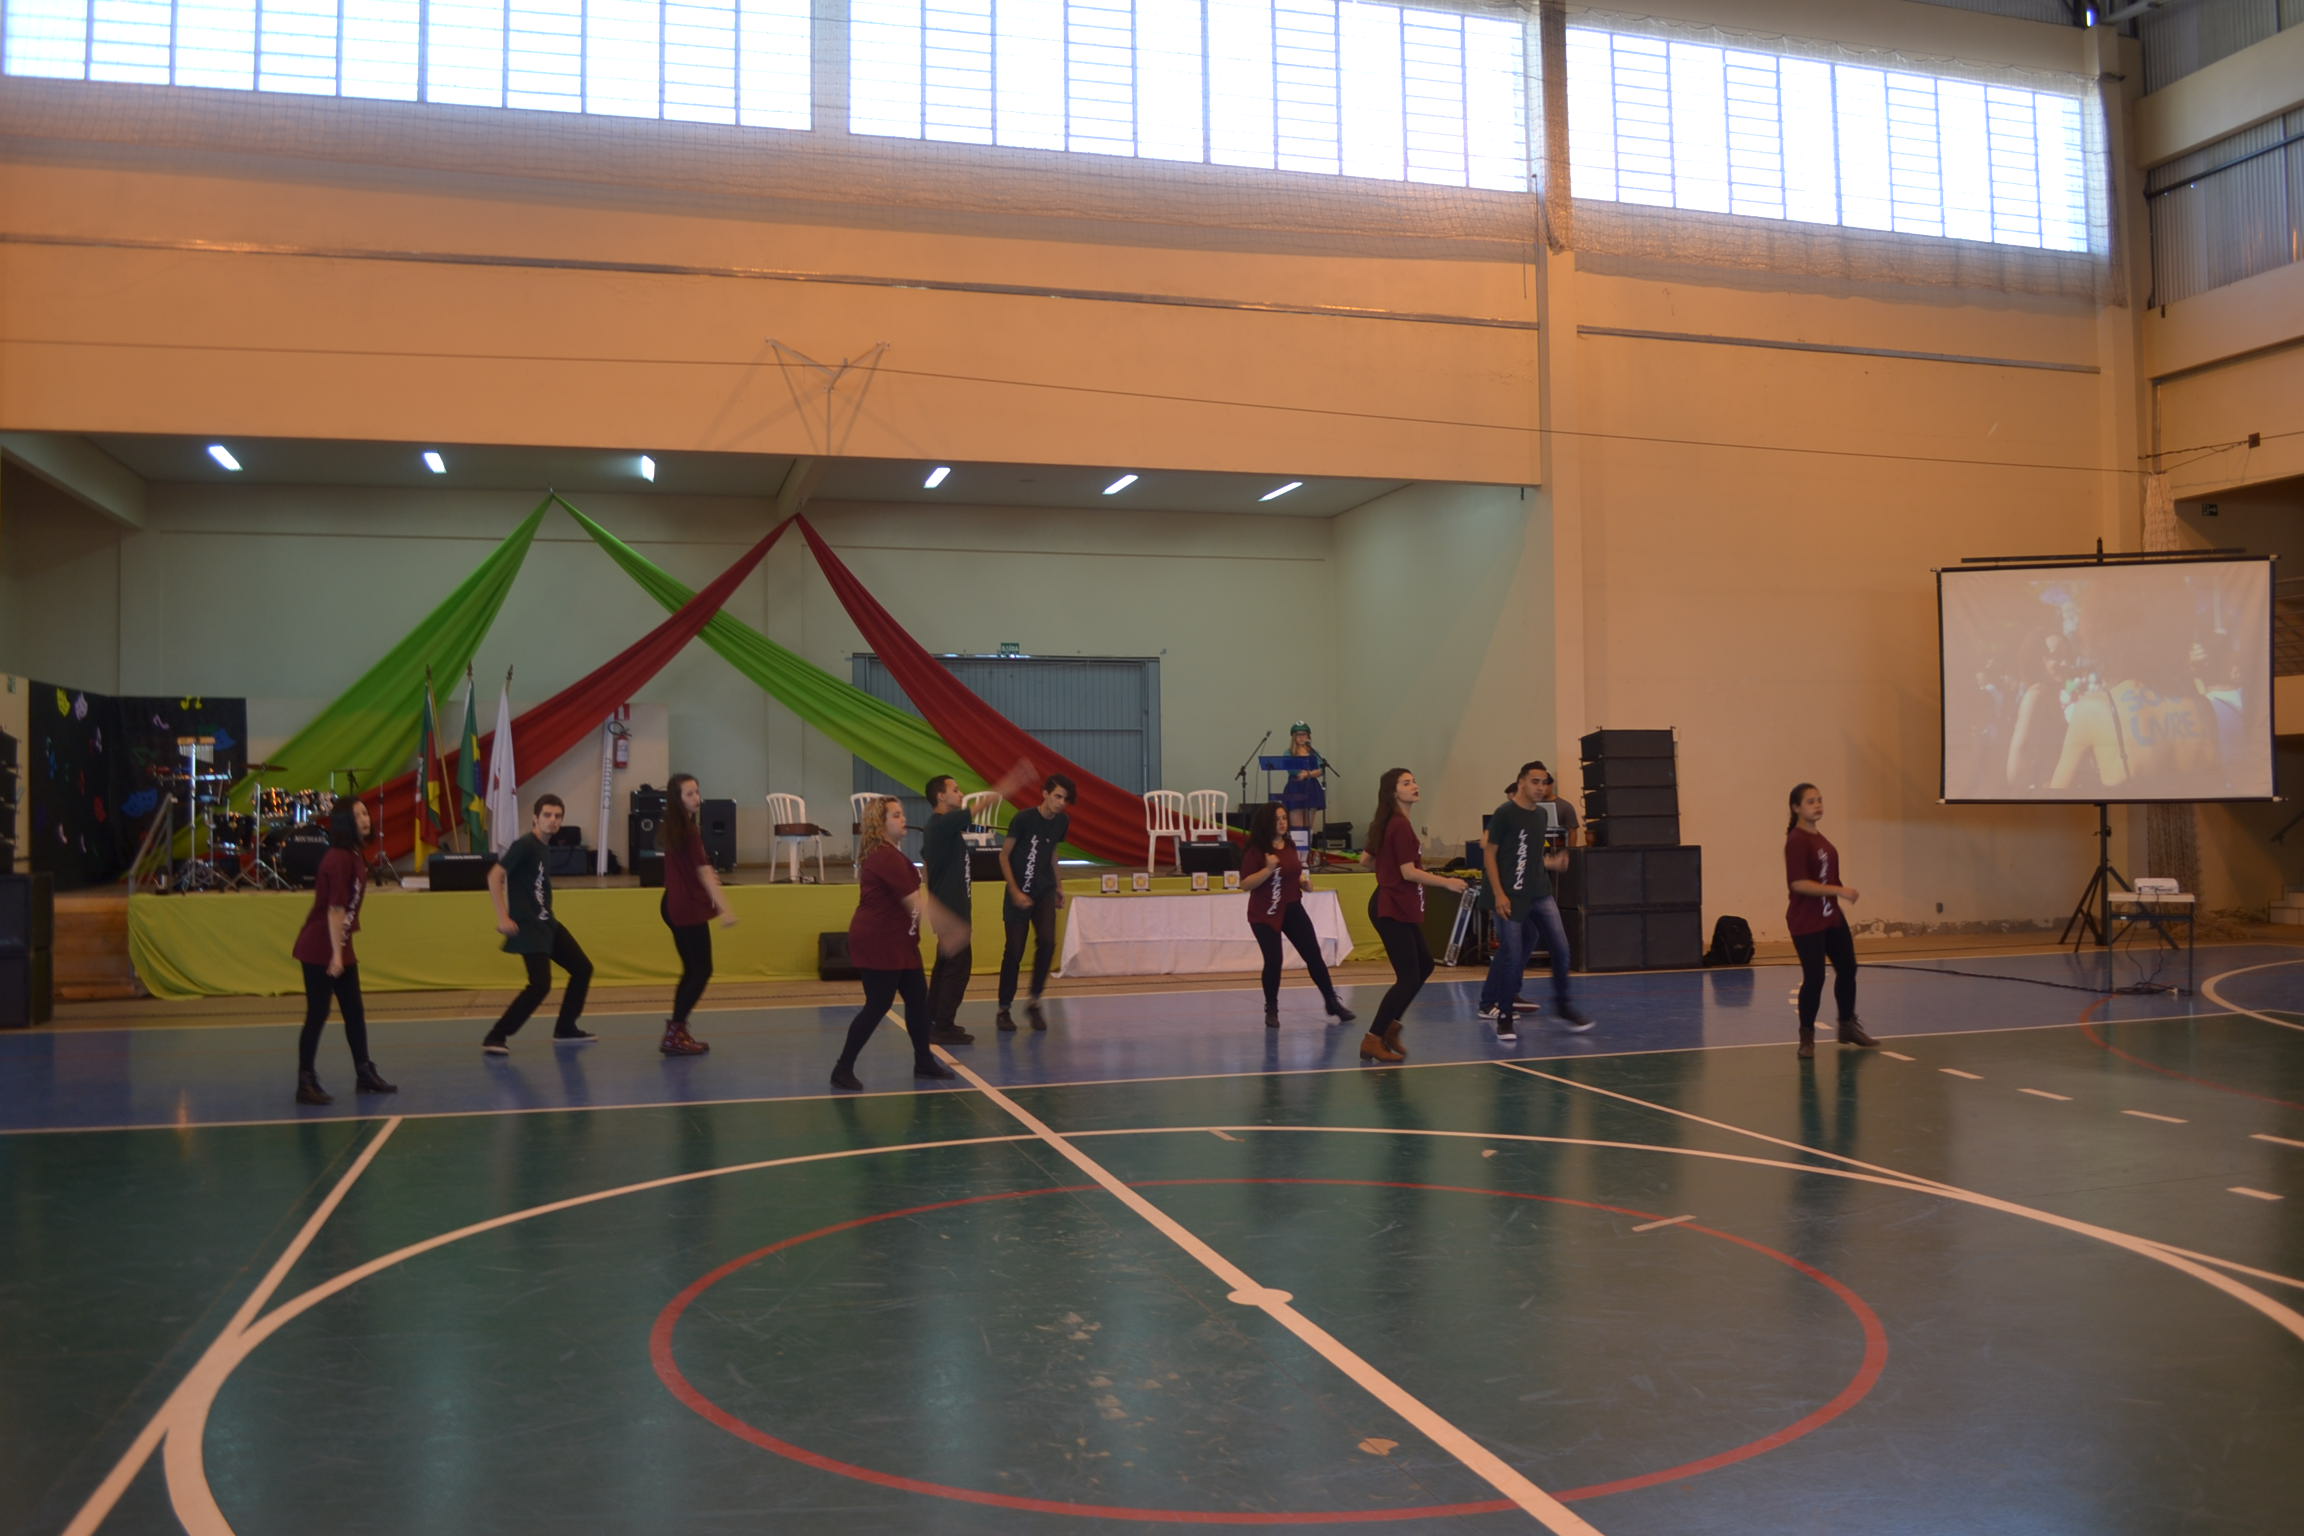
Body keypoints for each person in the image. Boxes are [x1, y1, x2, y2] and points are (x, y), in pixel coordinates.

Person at [831, 797, 959, 1091]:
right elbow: (915, 901)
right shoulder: (885, 857)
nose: (904, 819)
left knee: (917, 1000)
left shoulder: (893, 854)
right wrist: (953, 928)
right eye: (896, 815)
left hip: (901, 940)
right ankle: (842, 1068)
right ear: (881, 824)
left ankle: (923, 1061)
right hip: (879, 941)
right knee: (878, 1005)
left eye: (902, 814)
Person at [1479, 761, 1594, 1040]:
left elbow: (1527, 856)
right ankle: (1504, 1015)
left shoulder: (1541, 816)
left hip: (1540, 893)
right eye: (1535, 782)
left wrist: (1550, 862)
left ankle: (1563, 1007)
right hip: (1511, 896)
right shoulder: (1505, 813)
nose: (1540, 788)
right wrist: (1499, 894)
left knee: (1561, 949)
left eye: (1544, 783)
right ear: (1521, 782)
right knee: (1512, 953)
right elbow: (1490, 854)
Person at [919, 763, 1032, 1047]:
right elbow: (977, 808)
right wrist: (1008, 784)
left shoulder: (938, 829)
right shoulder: (943, 823)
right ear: (941, 796)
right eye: (955, 790)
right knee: (958, 969)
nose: (961, 794)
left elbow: (927, 866)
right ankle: (942, 1025)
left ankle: (933, 1018)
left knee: (945, 967)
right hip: (952, 912)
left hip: (947, 909)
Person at [291, 798, 394, 1104]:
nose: (366, 818)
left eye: (365, 813)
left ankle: (364, 1072)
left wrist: (342, 951)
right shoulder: (338, 859)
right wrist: (336, 955)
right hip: (320, 947)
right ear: (345, 822)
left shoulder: (354, 854)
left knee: (354, 1011)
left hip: (340, 944)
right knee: (318, 1013)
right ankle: (305, 1081)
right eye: (358, 814)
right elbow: (335, 909)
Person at [1360, 768, 1466, 1064]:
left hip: (1396, 903)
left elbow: (1366, 860)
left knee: (1424, 965)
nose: (1414, 786)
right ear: (1393, 792)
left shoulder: (1390, 823)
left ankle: (1390, 1026)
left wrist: (1387, 869)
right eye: (1406, 783)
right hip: (1390, 906)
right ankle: (1373, 1038)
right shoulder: (1399, 826)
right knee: (1408, 977)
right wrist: (1446, 882)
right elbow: (1408, 872)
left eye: (1414, 781)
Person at [481, 794, 596, 1054]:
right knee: (540, 985)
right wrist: (503, 917)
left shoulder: (544, 847)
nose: (553, 820)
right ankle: (496, 1036)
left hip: (547, 923)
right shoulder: (525, 845)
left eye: (558, 816)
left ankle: (565, 1028)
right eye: (547, 815)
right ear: (535, 818)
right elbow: (495, 876)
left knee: (582, 968)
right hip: (529, 927)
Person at [1240, 799, 1354, 1028]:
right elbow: (1245, 884)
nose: (1282, 823)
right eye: (1277, 819)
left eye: (1284, 818)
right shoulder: (1257, 850)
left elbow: (1293, 872)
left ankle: (1332, 1002)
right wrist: (1268, 869)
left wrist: (1303, 883)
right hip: (1266, 912)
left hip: (1292, 907)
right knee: (1274, 961)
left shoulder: (1290, 845)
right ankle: (1271, 1008)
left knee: (1313, 955)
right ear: (1267, 822)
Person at [1785, 783, 1878, 1060]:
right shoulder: (1797, 840)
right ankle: (1806, 1037)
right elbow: (1798, 883)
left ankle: (1847, 1025)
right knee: (1814, 978)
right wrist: (1839, 891)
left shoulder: (1820, 838)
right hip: (1806, 921)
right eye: (1810, 801)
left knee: (1848, 968)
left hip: (1831, 917)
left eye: (1820, 800)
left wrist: (1836, 895)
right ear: (1796, 808)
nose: (1817, 805)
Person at [658, 773, 736, 1058]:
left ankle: (676, 1030)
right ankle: (675, 1032)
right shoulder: (688, 831)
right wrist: (726, 909)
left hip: (672, 902)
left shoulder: (676, 826)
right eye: (689, 794)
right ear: (677, 799)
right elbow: (703, 872)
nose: (697, 799)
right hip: (685, 906)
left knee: (692, 969)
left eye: (697, 792)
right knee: (701, 970)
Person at [996, 773, 1075, 1032]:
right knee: (1014, 950)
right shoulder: (1024, 819)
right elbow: (1004, 856)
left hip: (1044, 891)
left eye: (1065, 799)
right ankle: (1004, 1008)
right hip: (1019, 893)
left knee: (1048, 942)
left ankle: (1034, 1001)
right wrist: (1014, 891)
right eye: (1057, 796)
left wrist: (1059, 886)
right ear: (1045, 794)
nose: (1061, 803)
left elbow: (1052, 853)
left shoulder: (1062, 821)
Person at [1278, 722, 1327, 836]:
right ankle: (1296, 846)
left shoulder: (1313, 753)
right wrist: (1309, 773)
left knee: (1308, 827)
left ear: (1308, 736)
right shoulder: (1289, 753)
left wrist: (1308, 774)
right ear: (1293, 737)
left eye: (1304, 734)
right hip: (1295, 788)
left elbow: (1321, 769)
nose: (1301, 737)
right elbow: (1292, 770)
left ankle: (1307, 847)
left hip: (1311, 787)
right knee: (1297, 827)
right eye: (1298, 735)